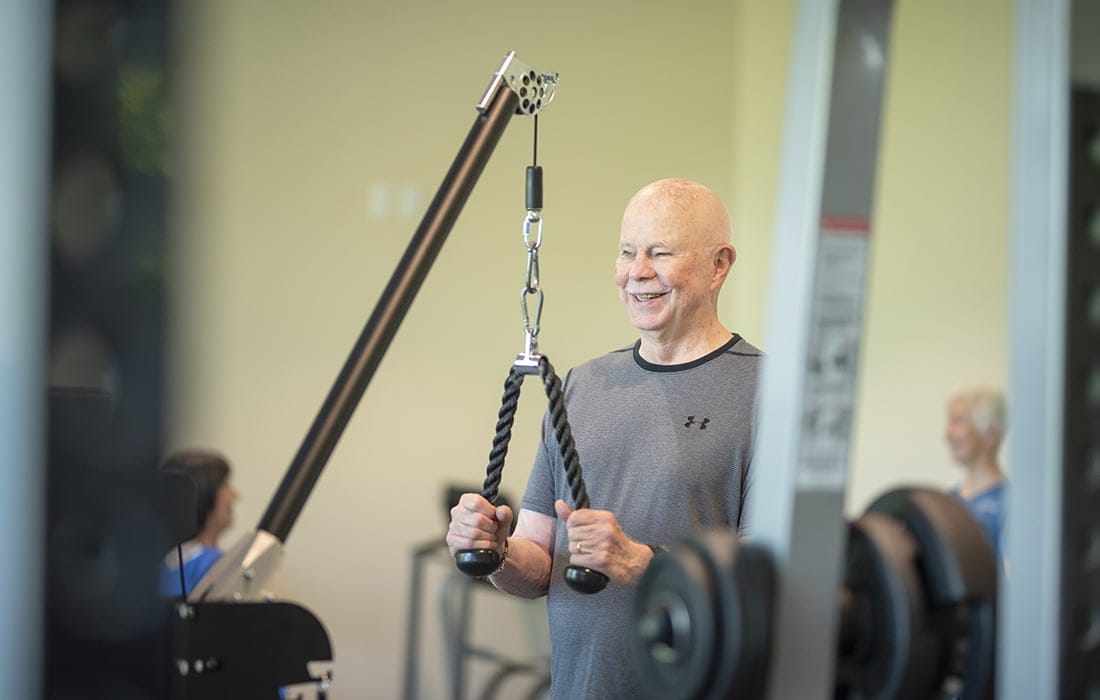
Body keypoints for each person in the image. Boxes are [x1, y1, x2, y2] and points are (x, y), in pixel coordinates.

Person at [446, 178, 761, 698]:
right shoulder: (581, 385)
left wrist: (639, 563)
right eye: (627, 252)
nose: (638, 272)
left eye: (661, 252)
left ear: (719, 265)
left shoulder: (767, 390)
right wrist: (496, 551)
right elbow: (540, 565)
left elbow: (767, 585)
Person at [159, 450, 240, 596]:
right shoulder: (213, 565)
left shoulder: (165, 564)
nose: (235, 495)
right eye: (225, 485)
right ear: (201, 493)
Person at [943, 386, 1007, 559]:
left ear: (990, 434)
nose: (947, 434)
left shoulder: (1009, 505)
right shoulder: (948, 502)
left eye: (958, 421)